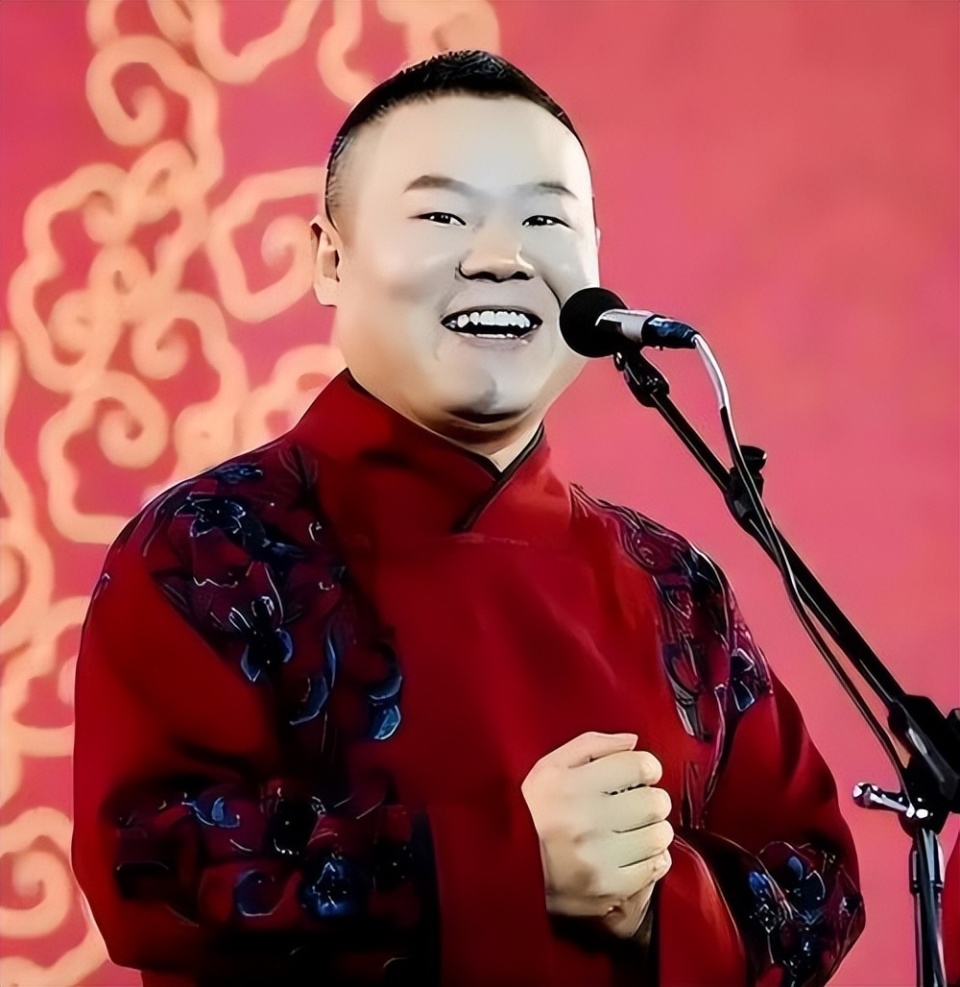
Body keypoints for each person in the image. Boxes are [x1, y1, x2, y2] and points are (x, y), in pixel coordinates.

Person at [71, 50, 865, 987]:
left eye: (544, 219)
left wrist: (660, 897)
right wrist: (509, 859)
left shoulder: (671, 579)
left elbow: (820, 880)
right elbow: (153, 858)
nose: (500, 257)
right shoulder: (213, 546)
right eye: (442, 216)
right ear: (331, 258)